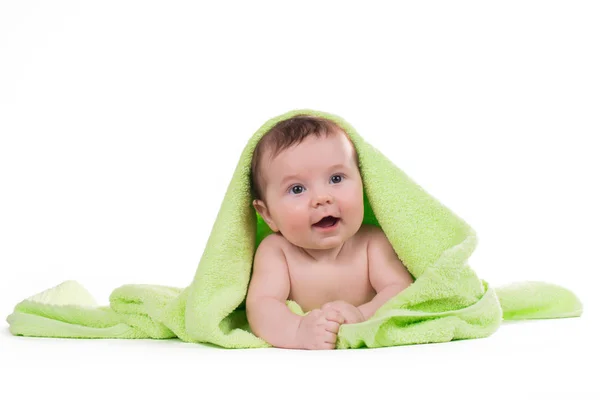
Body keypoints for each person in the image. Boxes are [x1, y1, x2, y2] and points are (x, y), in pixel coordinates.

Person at [245, 114, 414, 350]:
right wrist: (298, 331)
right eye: (297, 189)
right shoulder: (277, 252)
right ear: (268, 214)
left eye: (336, 178)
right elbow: (262, 306)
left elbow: (401, 290)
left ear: (364, 184)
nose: (322, 198)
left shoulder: (372, 243)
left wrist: (361, 315)